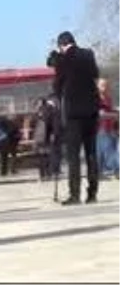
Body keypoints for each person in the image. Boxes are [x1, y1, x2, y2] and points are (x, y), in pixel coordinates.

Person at [51, 31, 101, 205]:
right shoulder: (88, 54)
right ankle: (92, 193)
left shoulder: (62, 59)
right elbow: (95, 73)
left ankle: (75, 194)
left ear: (62, 45)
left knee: (73, 156)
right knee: (91, 153)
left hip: (73, 113)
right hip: (91, 110)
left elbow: (57, 85)